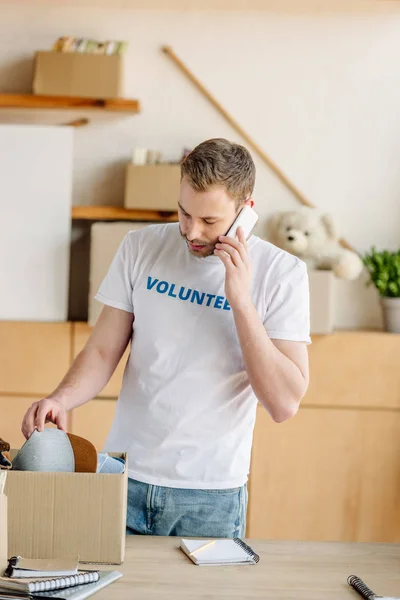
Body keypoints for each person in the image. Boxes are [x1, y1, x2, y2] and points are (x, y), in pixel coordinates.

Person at [21, 138, 310, 538]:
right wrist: (61, 398)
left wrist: (241, 300)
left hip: (210, 498)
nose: (191, 231)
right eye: (184, 212)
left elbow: (283, 402)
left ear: (246, 209)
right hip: (123, 480)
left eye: (209, 221)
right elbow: (103, 350)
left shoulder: (282, 273)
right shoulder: (140, 247)